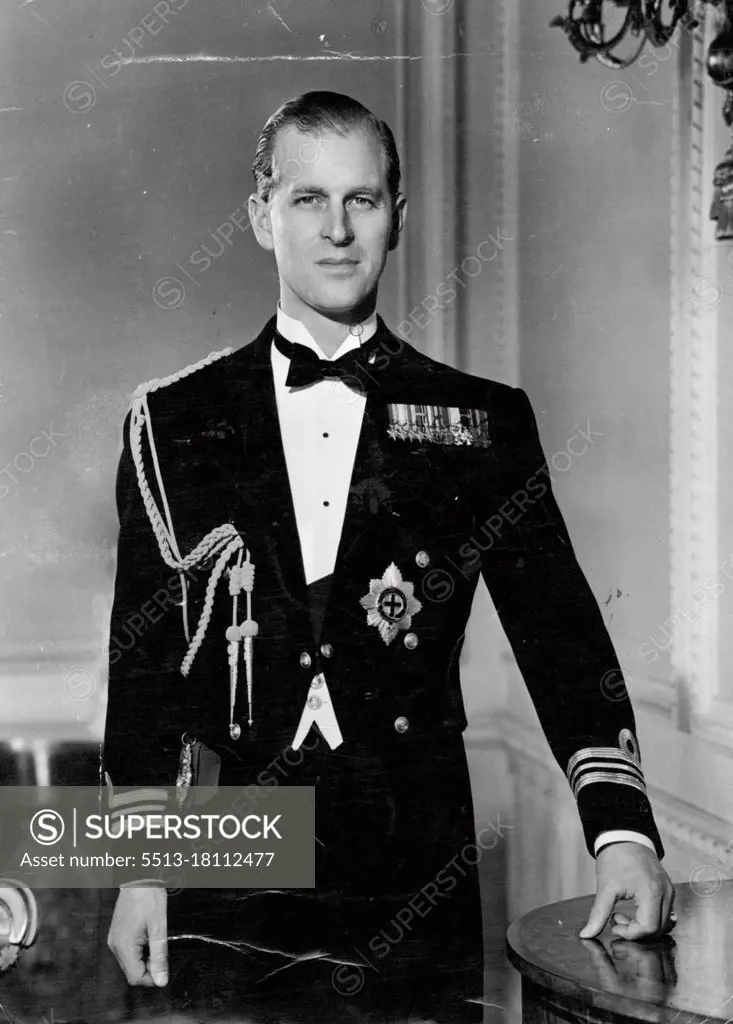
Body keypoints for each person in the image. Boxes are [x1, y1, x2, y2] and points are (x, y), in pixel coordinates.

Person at [103, 91, 675, 1019]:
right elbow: (145, 668)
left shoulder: (482, 422)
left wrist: (622, 833)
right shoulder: (171, 422)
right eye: (306, 200)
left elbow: (559, 632)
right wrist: (138, 871)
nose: (335, 229)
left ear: (396, 219)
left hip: (418, 861)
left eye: (362, 200)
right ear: (260, 216)